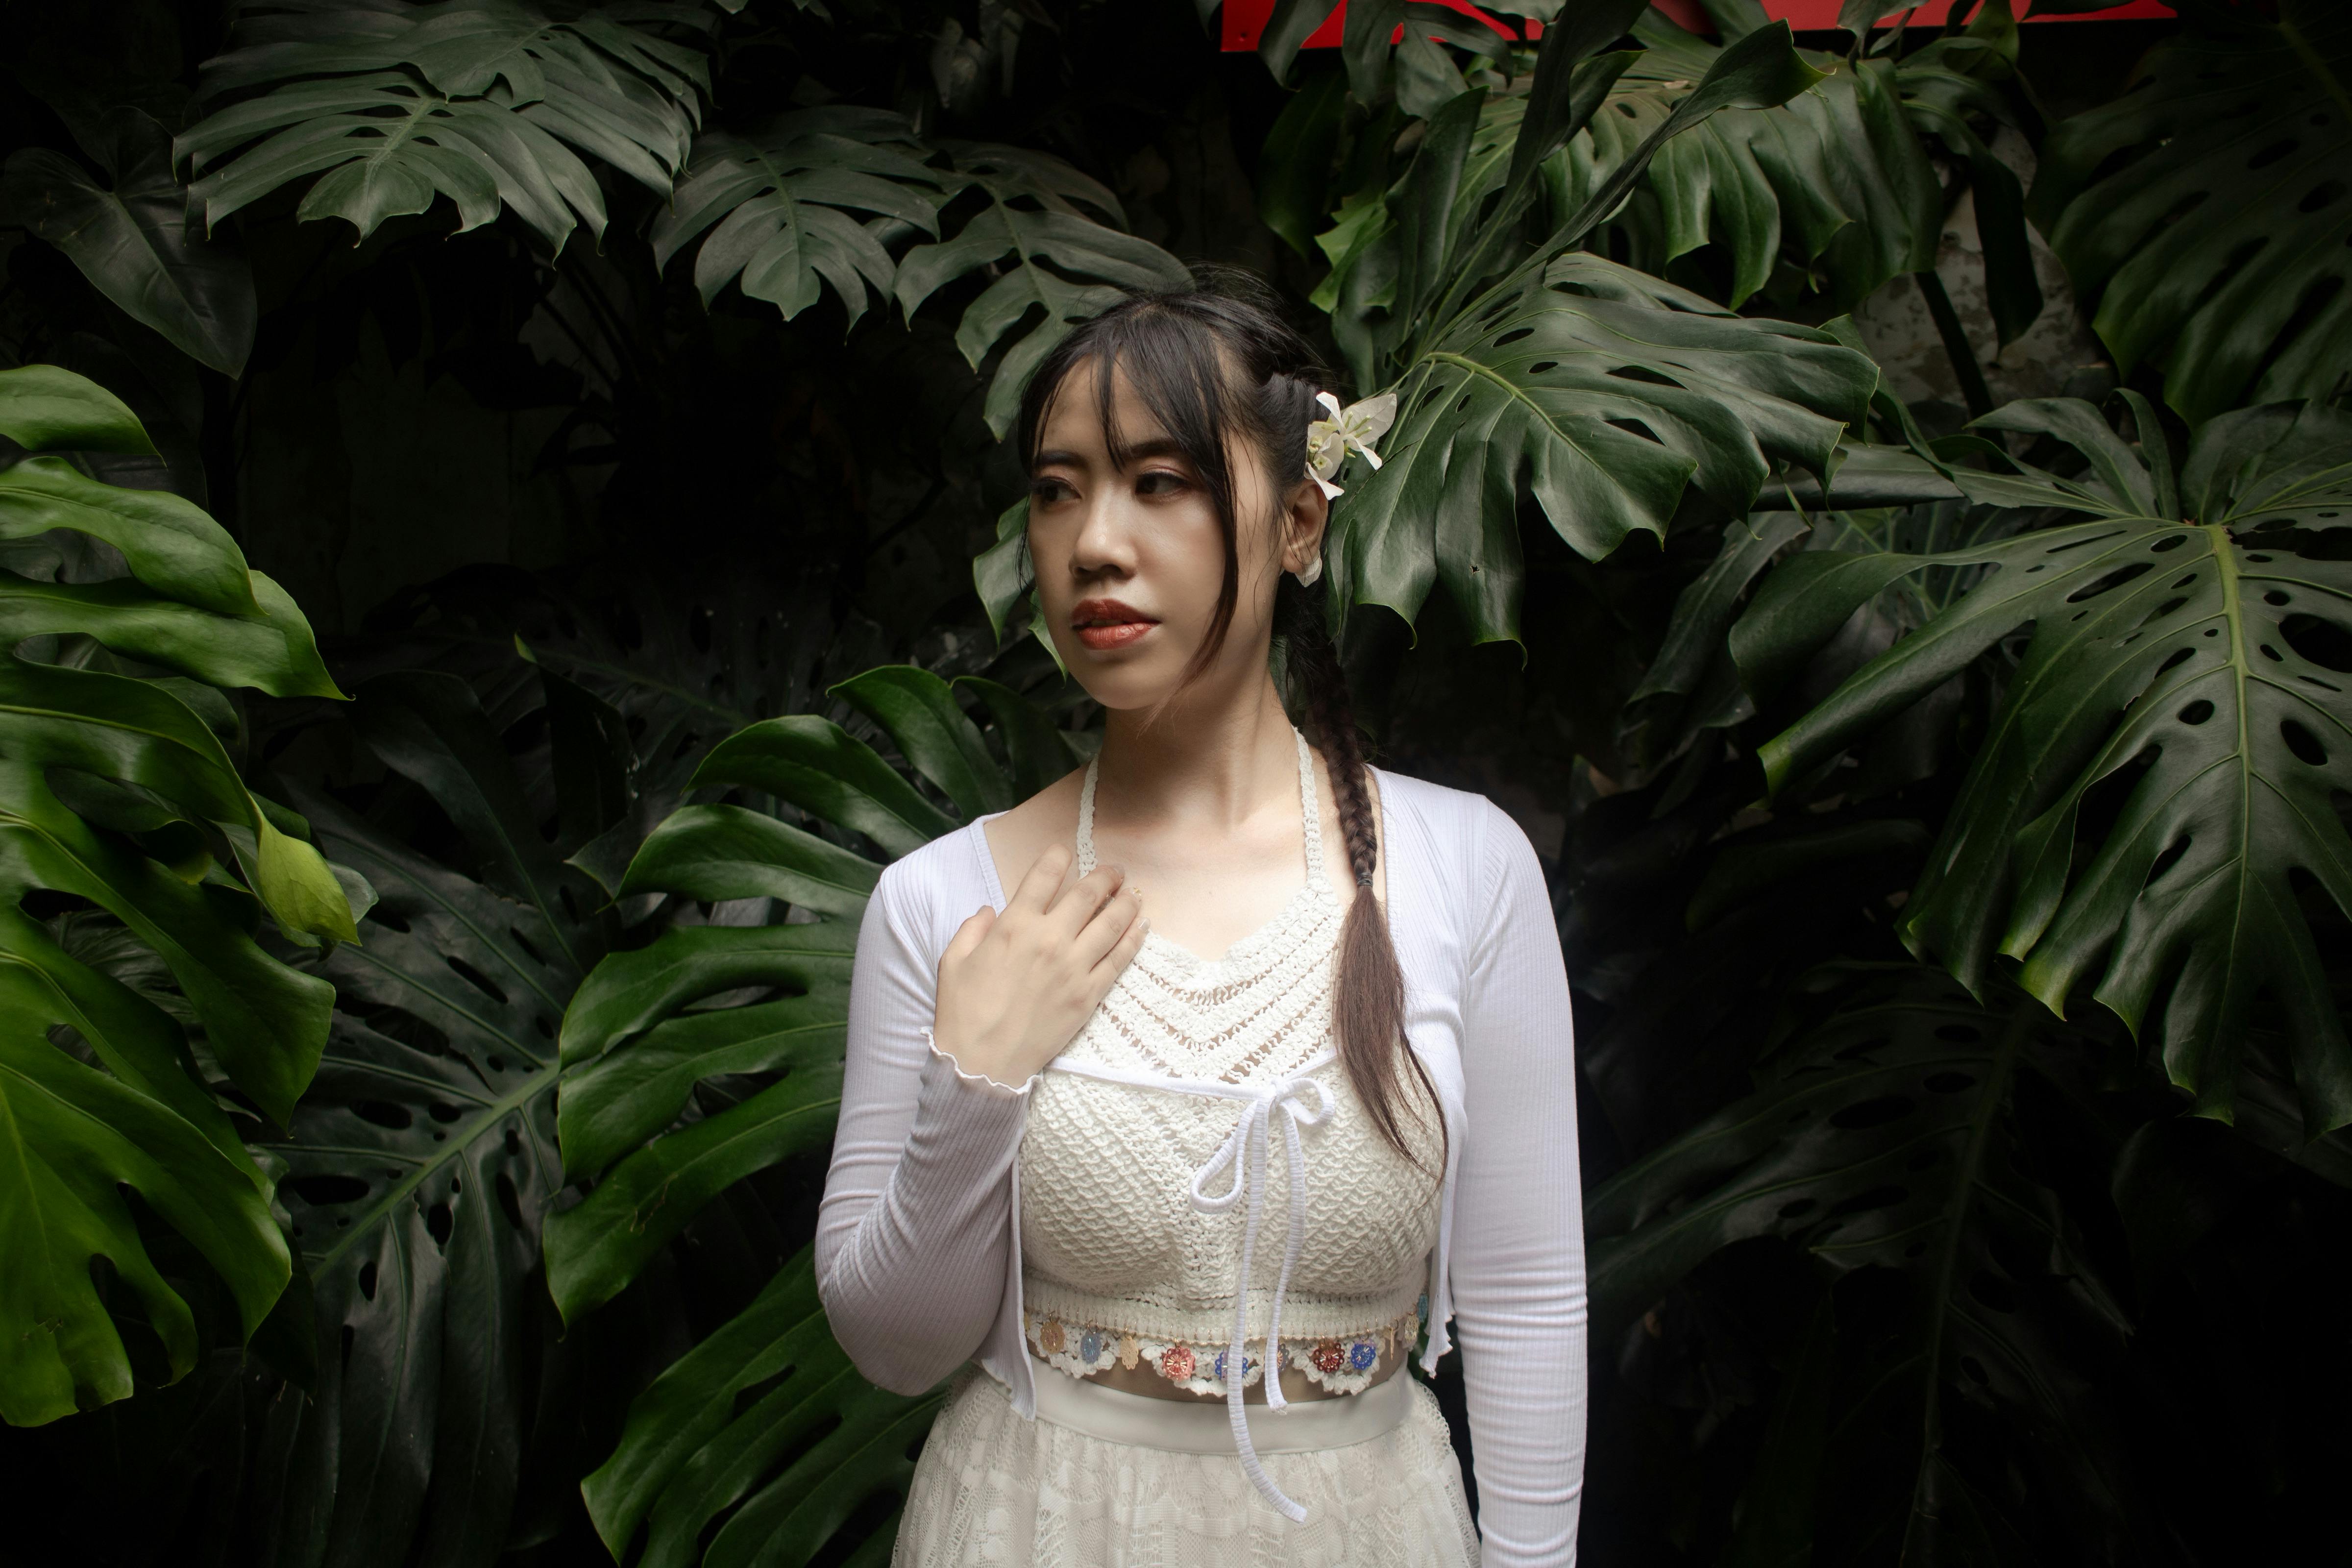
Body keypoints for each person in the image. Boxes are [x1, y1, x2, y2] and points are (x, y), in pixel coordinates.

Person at [815, 272, 1588, 1567]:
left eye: (1160, 482)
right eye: (1058, 490)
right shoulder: (948, 901)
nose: (1094, 543)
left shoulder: (1465, 868)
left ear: (1297, 522)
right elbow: (895, 1350)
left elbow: (1522, 1302)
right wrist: (978, 1079)